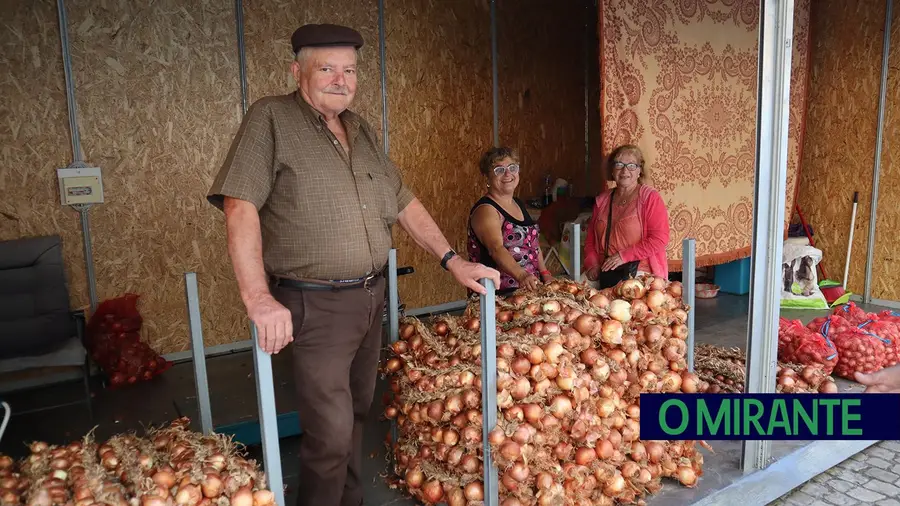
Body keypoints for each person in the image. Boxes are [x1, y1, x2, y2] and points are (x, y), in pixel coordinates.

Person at [205, 23, 499, 506]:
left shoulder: (359, 128)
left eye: (350, 70)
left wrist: (453, 261)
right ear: (297, 71)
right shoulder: (271, 118)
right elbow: (240, 206)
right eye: (327, 68)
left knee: (359, 413)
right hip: (314, 303)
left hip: (370, 296)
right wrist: (258, 297)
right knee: (331, 431)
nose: (341, 79)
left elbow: (403, 200)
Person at [466, 147, 553, 295]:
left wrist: (544, 272)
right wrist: (522, 275)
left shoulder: (518, 204)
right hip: (497, 296)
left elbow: (533, 244)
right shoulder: (486, 210)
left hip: (527, 292)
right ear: (487, 177)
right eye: (499, 170)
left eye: (512, 167)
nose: (507, 174)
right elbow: (496, 249)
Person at [583, 144, 670, 288]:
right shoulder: (603, 200)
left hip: (641, 271)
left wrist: (624, 256)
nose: (625, 171)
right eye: (619, 164)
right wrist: (592, 264)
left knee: (620, 307)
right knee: (573, 297)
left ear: (639, 171)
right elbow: (590, 240)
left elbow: (659, 239)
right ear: (612, 170)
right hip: (605, 269)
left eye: (631, 165)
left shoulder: (650, 198)